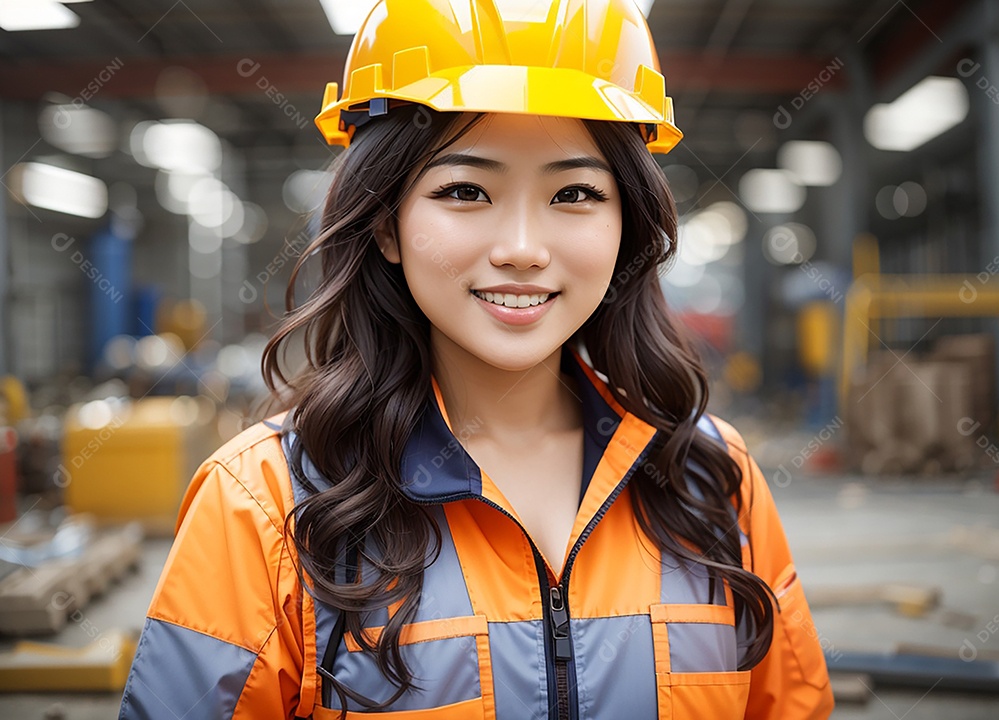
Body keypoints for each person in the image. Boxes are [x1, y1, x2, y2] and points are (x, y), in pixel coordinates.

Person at [117, 0, 834, 717]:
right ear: (385, 224)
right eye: (465, 190)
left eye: (574, 192)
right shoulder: (266, 505)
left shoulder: (710, 477)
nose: (522, 247)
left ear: (628, 224)